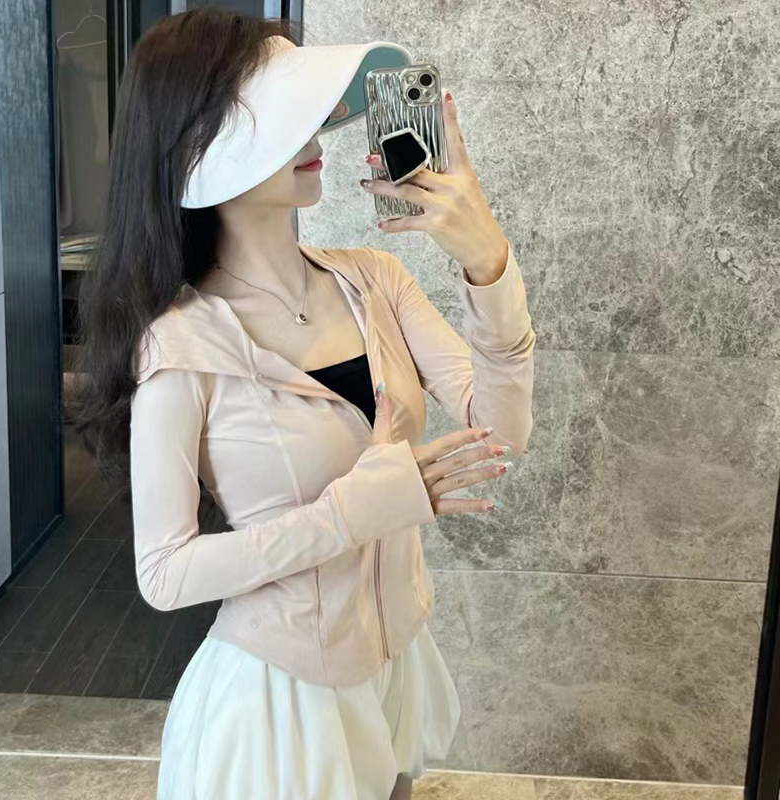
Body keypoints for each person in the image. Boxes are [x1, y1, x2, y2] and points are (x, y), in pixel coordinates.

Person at [74, 7, 535, 800]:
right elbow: (165, 572)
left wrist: (488, 264)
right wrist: (351, 514)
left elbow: (501, 432)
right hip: (280, 707)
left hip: (394, 660)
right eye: (280, 112)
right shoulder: (182, 346)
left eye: (306, 108)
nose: (313, 131)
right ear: (196, 146)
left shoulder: (376, 280)